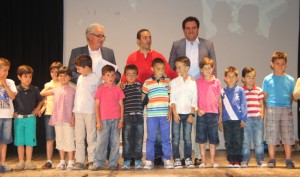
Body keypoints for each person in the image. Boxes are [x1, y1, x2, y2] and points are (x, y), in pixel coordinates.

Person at [121, 28, 177, 165]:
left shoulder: (158, 55)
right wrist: (121, 83)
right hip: (138, 93)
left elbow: (169, 72)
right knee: (135, 128)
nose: (148, 40)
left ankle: (158, 156)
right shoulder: (132, 57)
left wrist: (182, 79)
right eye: (145, 37)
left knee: (159, 128)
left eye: (150, 37)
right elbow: (126, 74)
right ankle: (133, 157)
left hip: (156, 92)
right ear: (138, 41)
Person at [169, 16, 216, 165]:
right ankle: (182, 156)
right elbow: (171, 66)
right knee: (181, 129)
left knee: (197, 124)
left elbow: (214, 66)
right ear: (184, 30)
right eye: (188, 28)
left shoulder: (208, 44)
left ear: (198, 29)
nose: (191, 30)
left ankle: (197, 156)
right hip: (182, 87)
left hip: (200, 87)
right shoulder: (177, 44)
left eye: (194, 28)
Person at [262, 51, 295, 169]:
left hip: (286, 108)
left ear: (285, 64)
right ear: (272, 64)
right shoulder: (267, 79)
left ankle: (288, 160)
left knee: (288, 135)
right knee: (272, 135)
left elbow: (291, 96)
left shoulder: (290, 79)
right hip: (272, 108)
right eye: (277, 63)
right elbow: (264, 96)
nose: (280, 66)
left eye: (282, 64)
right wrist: (268, 107)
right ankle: (272, 159)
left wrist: (287, 105)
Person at [40, 67, 76, 170]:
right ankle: (62, 161)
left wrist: (73, 117)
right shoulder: (55, 89)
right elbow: (42, 93)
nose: (62, 77)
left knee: (69, 139)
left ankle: (71, 161)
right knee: (60, 140)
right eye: (60, 75)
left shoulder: (73, 90)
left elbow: (75, 105)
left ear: (69, 77)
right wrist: (52, 84)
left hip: (68, 118)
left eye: (65, 75)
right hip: (58, 118)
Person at [142, 58, 174, 170]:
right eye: (158, 69)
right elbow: (142, 97)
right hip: (151, 115)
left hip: (164, 114)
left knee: (166, 138)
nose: (161, 71)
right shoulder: (147, 82)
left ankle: (167, 159)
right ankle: (149, 159)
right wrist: (141, 109)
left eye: (163, 69)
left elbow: (171, 98)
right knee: (151, 138)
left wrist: (170, 111)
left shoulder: (168, 82)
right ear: (152, 69)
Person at [92, 65, 124, 170]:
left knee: (115, 142)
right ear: (103, 77)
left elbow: (121, 105)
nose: (110, 77)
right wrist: (98, 121)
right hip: (103, 120)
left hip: (116, 120)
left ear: (115, 76)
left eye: (112, 75)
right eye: (107, 75)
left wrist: (121, 119)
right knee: (101, 142)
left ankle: (113, 163)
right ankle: (98, 163)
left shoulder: (118, 90)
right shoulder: (100, 89)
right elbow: (96, 106)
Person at [72, 54, 101, 170]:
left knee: (91, 137)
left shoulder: (97, 77)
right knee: (78, 137)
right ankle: (79, 161)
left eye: (78, 68)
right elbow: (78, 95)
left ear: (86, 67)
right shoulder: (80, 78)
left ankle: (92, 160)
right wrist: (73, 113)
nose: (77, 71)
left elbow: (99, 97)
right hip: (78, 110)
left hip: (90, 111)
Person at [13, 65, 44, 170]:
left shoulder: (34, 89)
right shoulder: (15, 89)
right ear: (19, 77)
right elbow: (10, 101)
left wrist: (37, 108)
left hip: (30, 118)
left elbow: (41, 99)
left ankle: (29, 161)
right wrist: (12, 112)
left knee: (30, 141)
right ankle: (21, 161)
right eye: (25, 76)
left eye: (30, 77)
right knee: (20, 141)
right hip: (18, 119)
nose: (28, 79)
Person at [170, 56, 197, 169]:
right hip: (177, 114)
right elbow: (172, 100)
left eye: (180, 67)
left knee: (187, 137)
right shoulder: (174, 82)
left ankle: (188, 158)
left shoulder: (192, 83)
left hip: (188, 114)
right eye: (176, 67)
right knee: (176, 137)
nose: (177, 70)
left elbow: (194, 100)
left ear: (187, 68)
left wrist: (192, 114)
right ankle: (176, 158)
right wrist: (175, 113)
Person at [196, 57, 221, 168]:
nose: (207, 70)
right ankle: (203, 161)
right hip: (202, 114)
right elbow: (194, 98)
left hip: (214, 114)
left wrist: (220, 114)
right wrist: (197, 109)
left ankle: (212, 161)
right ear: (201, 69)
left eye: (209, 68)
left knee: (213, 138)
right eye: (204, 68)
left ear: (213, 68)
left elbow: (219, 99)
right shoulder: (197, 82)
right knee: (202, 139)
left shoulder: (217, 82)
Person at [221, 66, 247, 168]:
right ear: (225, 78)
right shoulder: (222, 92)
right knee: (229, 141)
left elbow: (243, 104)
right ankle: (231, 160)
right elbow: (220, 106)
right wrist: (220, 119)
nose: (231, 79)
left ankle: (237, 160)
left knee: (238, 141)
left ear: (237, 78)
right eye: (229, 76)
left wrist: (244, 118)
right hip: (227, 121)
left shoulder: (240, 90)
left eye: (233, 76)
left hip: (238, 121)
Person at [240, 67, 267, 168]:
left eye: (253, 77)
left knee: (259, 141)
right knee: (246, 141)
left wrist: (262, 113)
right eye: (248, 77)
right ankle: (244, 160)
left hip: (257, 119)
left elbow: (261, 103)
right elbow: (240, 106)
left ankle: (260, 160)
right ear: (243, 79)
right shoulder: (241, 91)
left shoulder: (259, 90)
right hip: (246, 120)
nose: (251, 80)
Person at [39, 61, 62, 169]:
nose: (54, 74)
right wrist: (43, 108)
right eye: (52, 72)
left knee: (61, 138)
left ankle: (63, 161)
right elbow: (45, 98)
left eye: (56, 72)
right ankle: (49, 161)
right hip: (49, 114)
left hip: (60, 114)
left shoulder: (63, 83)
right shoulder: (48, 85)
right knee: (49, 139)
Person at [121, 64, 144, 170]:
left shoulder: (141, 87)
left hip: (139, 116)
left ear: (137, 75)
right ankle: (127, 159)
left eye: (133, 74)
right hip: (127, 117)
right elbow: (119, 101)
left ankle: (138, 159)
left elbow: (145, 99)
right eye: (128, 74)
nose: (131, 76)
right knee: (126, 139)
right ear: (125, 75)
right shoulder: (123, 88)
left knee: (138, 139)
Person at [0, 58, 17, 172]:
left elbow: (13, 97)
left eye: (8, 70)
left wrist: (5, 84)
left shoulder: (10, 82)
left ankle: (2, 163)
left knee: (4, 141)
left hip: (7, 116)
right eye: (4, 70)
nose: (6, 73)